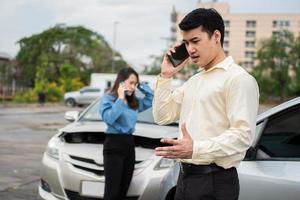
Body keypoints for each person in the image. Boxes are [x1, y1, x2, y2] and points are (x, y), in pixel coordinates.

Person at [153, 8, 259, 200]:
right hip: (184, 178)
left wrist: (195, 149)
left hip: (215, 182)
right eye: (185, 43)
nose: (190, 49)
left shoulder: (239, 79)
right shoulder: (194, 81)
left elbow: (243, 136)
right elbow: (162, 116)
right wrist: (166, 76)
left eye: (195, 41)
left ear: (216, 36)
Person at [99, 67, 153, 200]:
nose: (133, 87)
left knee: (124, 190)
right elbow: (109, 118)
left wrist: (140, 85)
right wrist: (120, 98)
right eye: (131, 83)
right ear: (121, 82)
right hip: (113, 145)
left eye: (135, 84)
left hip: (129, 144)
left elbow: (150, 99)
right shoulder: (108, 99)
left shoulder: (133, 102)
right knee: (112, 192)